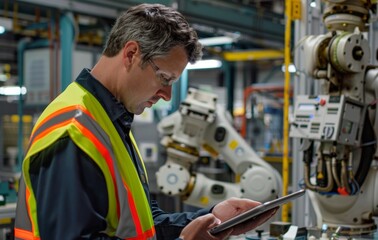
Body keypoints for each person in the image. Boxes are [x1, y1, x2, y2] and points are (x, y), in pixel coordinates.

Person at [14, 3, 277, 240]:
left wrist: (212, 219)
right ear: (130, 54)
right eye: (164, 78)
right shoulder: (74, 132)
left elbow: (143, 224)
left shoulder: (108, 122)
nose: (166, 95)